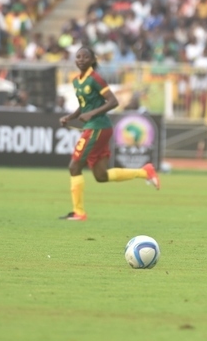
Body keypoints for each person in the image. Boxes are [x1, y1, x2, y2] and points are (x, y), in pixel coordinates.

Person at [59, 46, 160, 221]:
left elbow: (113, 101)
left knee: (74, 166)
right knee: (101, 175)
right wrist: (70, 117)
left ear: (92, 60)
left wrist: (92, 114)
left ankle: (79, 212)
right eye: (78, 57)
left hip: (98, 126)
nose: (80, 59)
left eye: (84, 57)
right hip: (96, 127)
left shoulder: (95, 79)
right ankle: (145, 172)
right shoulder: (77, 81)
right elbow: (84, 106)